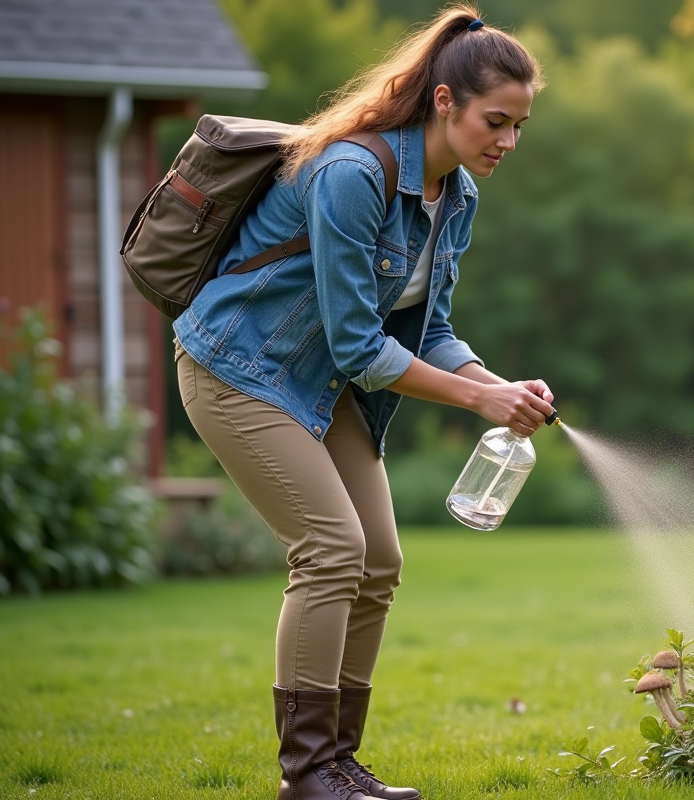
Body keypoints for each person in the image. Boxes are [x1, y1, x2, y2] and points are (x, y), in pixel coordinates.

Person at [172, 7, 554, 800]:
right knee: (330, 548)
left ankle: (339, 766)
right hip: (238, 368)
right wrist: (476, 400)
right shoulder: (352, 173)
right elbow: (358, 346)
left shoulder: (457, 197)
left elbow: (429, 329)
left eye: (520, 126)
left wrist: (498, 386)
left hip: (321, 380)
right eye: (496, 122)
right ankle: (308, 773)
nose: (509, 142)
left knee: (379, 560)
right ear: (444, 101)